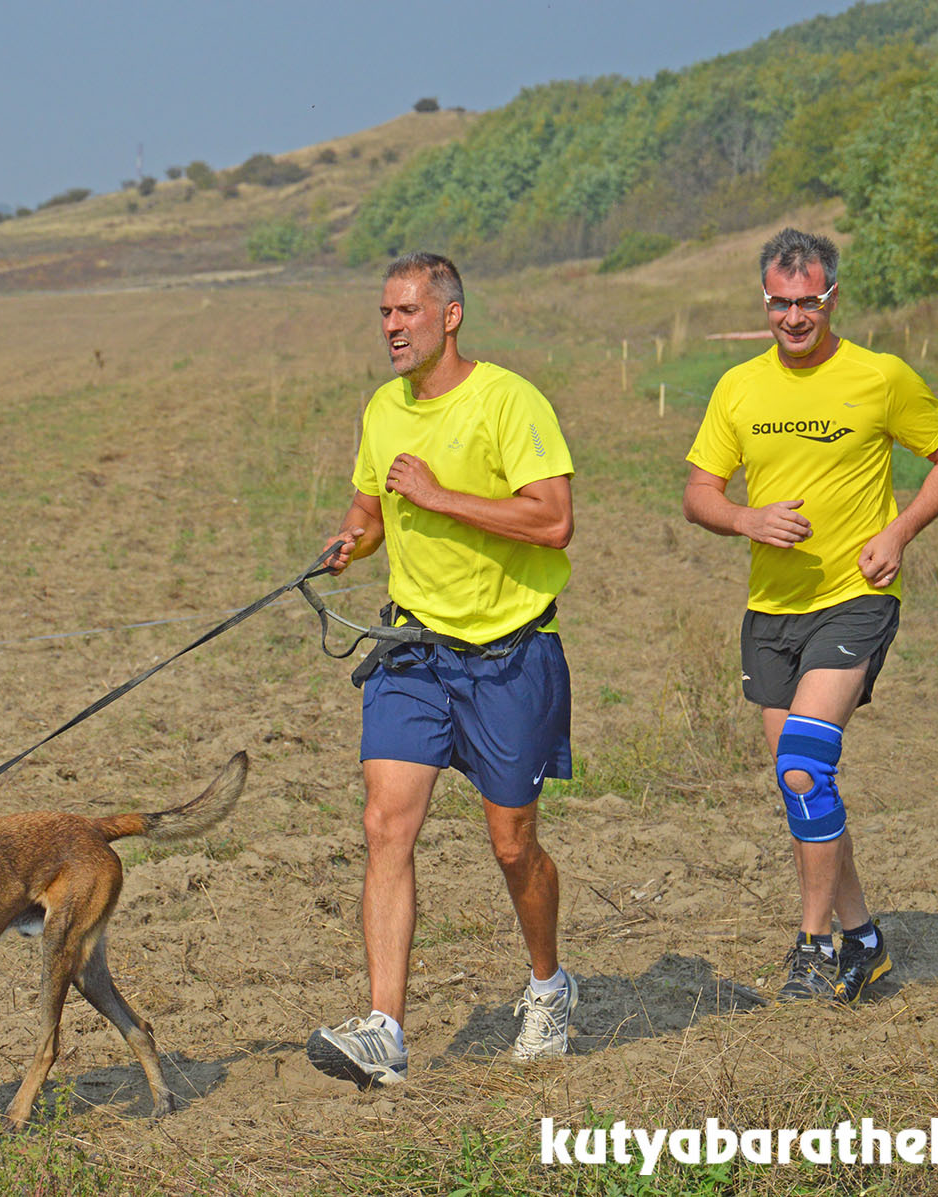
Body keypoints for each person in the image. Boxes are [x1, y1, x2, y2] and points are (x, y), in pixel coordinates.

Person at [683, 228, 938, 1005]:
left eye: (806, 301)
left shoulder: (879, 377)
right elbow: (699, 494)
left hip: (856, 595)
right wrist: (745, 520)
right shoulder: (738, 387)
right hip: (770, 610)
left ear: (831, 298)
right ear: (766, 303)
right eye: (779, 303)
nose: (792, 317)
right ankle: (866, 940)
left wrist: (899, 530)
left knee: (805, 765)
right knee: (801, 784)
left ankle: (814, 949)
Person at [307, 252, 578, 1087]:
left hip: (509, 657)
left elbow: (554, 519)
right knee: (386, 824)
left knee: (512, 844)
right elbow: (370, 499)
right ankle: (385, 1027)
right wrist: (356, 536)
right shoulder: (383, 409)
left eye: (407, 312)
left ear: (449, 315)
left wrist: (438, 497)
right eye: (384, 313)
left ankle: (547, 984)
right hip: (413, 651)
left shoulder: (508, 400)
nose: (391, 327)